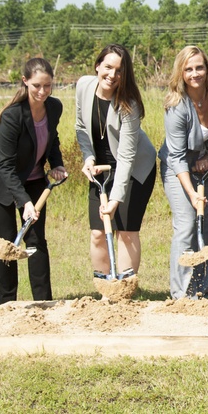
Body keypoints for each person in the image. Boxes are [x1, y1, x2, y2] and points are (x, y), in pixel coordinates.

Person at [0, 58, 68, 304]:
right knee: (7, 241)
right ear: (25, 81)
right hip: (0, 182)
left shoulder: (54, 107)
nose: (43, 91)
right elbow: (5, 166)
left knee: (37, 240)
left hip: (34, 178)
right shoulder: (12, 116)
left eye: (48, 85)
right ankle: (7, 305)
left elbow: (53, 138)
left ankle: (44, 303)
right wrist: (25, 202)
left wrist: (56, 163)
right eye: (37, 85)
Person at [76, 43, 157, 281]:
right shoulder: (83, 86)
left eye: (119, 70)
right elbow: (81, 127)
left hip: (134, 170)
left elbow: (126, 156)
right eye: (108, 67)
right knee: (98, 233)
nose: (112, 75)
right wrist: (88, 157)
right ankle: (104, 288)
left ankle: (124, 287)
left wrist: (115, 199)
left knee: (126, 232)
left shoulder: (128, 105)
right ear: (97, 66)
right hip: (100, 169)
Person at [160, 46, 208, 299]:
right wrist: (191, 193)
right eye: (189, 69)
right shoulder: (176, 106)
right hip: (178, 166)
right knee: (187, 225)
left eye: (199, 67)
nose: (195, 73)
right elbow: (177, 156)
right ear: (180, 72)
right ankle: (181, 294)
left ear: (207, 68)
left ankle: (200, 290)